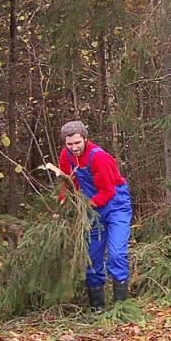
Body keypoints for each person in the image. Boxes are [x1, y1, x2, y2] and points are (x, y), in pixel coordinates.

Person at [58, 120, 132, 311]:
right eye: (70, 144)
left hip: (116, 207)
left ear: (85, 138)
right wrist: (64, 204)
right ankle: (97, 309)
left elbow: (108, 192)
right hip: (92, 211)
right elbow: (67, 184)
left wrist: (84, 205)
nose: (74, 148)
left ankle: (121, 308)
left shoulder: (98, 157)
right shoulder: (65, 157)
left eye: (77, 143)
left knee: (116, 254)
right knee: (91, 258)